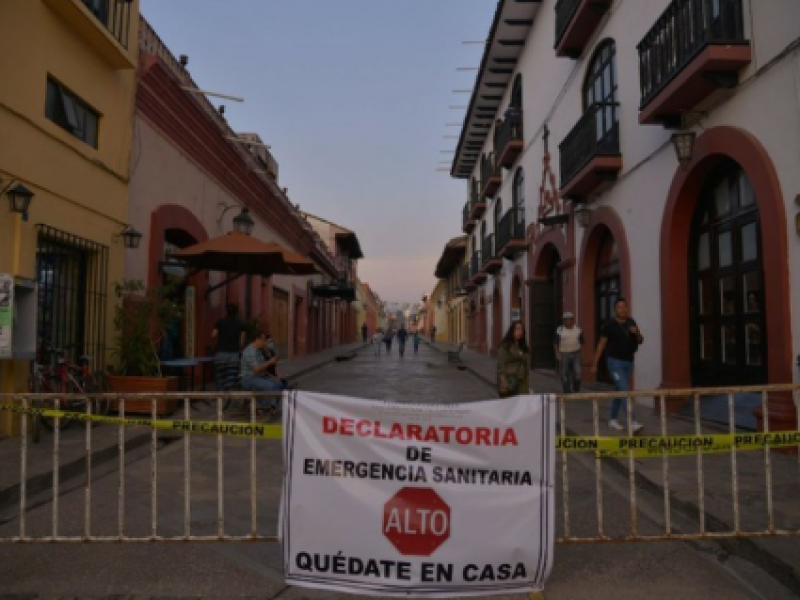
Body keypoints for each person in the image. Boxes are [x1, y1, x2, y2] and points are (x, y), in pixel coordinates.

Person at [592, 298, 644, 432]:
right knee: (625, 391)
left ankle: (613, 420)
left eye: (625, 307)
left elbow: (640, 340)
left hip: (629, 362)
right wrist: (594, 364)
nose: (623, 309)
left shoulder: (631, 322)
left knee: (619, 391)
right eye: (620, 307)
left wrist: (636, 332)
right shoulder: (609, 325)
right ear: (615, 310)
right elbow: (601, 344)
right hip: (614, 362)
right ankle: (632, 422)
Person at [240, 331, 282, 413]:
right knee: (269, 386)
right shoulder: (250, 351)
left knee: (278, 383)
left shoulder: (259, 350)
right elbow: (256, 369)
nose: (265, 343)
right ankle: (264, 407)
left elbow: (264, 366)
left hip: (259, 376)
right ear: (257, 340)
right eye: (264, 340)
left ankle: (272, 406)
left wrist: (273, 375)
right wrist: (270, 362)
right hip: (249, 378)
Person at [496, 320, 530, 399]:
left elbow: (525, 363)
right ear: (512, 330)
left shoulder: (523, 346)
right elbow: (500, 366)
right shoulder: (505, 346)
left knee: (522, 404)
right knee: (509, 406)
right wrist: (504, 383)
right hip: (509, 380)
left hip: (522, 380)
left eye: (521, 329)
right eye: (517, 329)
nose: (519, 332)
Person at [554, 312, 584, 394]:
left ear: (573, 320)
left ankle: (576, 389)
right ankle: (567, 390)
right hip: (564, 353)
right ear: (563, 321)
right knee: (564, 373)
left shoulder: (577, 329)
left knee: (577, 372)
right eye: (566, 320)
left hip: (576, 353)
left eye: (570, 319)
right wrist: (557, 353)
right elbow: (556, 343)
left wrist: (581, 354)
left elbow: (581, 342)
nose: (568, 321)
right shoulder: (559, 330)